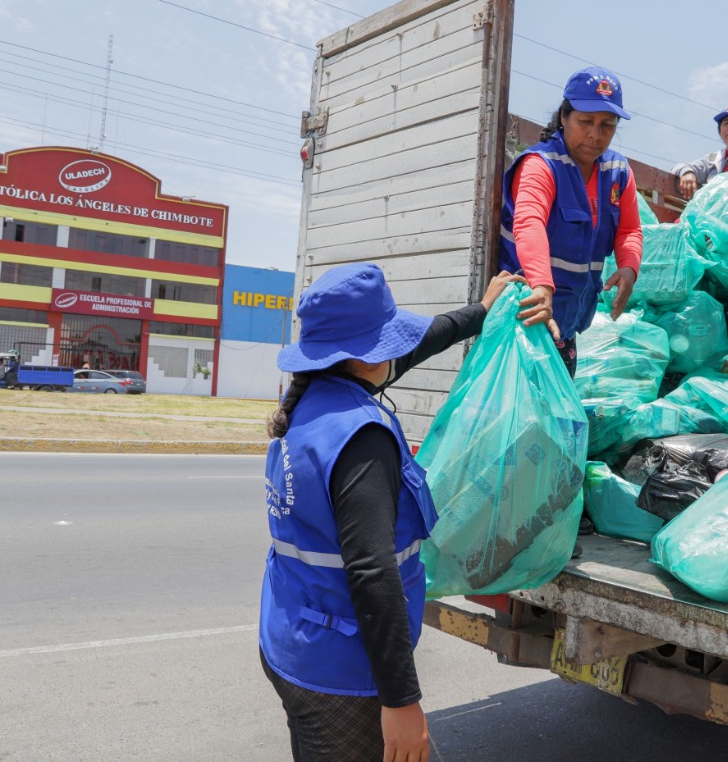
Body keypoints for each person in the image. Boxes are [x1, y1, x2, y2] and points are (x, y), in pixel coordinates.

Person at [260, 261, 521, 762]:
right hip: (340, 673)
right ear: (367, 356)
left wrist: (481, 310)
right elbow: (371, 573)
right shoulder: (362, 437)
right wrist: (402, 702)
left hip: (292, 641)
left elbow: (418, 344)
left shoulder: (314, 398)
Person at [499, 66, 645, 380]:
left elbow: (630, 229)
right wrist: (540, 286)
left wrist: (629, 267)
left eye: (607, 125)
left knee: (554, 423)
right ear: (563, 117)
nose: (595, 134)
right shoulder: (541, 166)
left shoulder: (618, 172)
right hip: (522, 321)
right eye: (585, 121)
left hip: (565, 330)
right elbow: (529, 223)